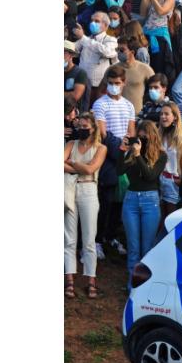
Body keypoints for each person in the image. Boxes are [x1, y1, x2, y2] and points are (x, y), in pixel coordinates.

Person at [64, 112, 108, 299]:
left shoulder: (101, 148)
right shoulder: (70, 144)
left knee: (89, 239)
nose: (81, 130)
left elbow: (92, 169)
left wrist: (72, 163)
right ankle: (70, 280)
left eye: (85, 127)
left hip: (89, 189)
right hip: (70, 189)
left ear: (93, 129)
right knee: (69, 238)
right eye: (79, 126)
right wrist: (82, 166)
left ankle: (91, 279)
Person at [118, 121, 166, 287]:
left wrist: (138, 156)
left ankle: (144, 285)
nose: (141, 139)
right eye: (139, 136)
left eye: (145, 136)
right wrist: (122, 151)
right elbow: (119, 171)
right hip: (131, 199)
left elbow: (150, 176)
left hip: (150, 201)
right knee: (133, 246)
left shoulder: (161, 155)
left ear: (152, 137)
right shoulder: (132, 152)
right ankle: (132, 283)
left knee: (147, 247)